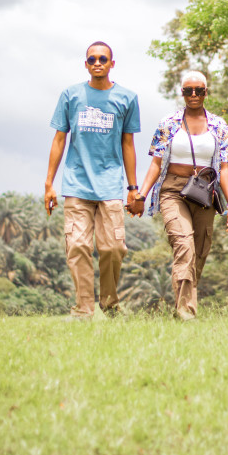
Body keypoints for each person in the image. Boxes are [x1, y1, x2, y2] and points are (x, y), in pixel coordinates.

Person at [128, 71, 228, 320]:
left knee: (199, 251)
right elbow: (156, 164)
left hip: (204, 191)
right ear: (182, 93)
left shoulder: (219, 126)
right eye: (188, 91)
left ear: (206, 92)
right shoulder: (169, 123)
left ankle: (182, 305)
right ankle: (186, 313)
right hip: (173, 190)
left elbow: (224, 168)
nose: (194, 95)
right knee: (184, 245)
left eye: (199, 90)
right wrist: (142, 196)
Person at [44, 41, 141, 319]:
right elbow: (59, 138)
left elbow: (128, 144)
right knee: (77, 246)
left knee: (113, 247)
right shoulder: (70, 95)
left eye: (103, 59)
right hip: (76, 184)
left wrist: (133, 189)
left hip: (110, 185)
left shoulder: (127, 98)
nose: (97, 63)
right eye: (92, 59)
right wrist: (49, 183)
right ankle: (83, 309)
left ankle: (109, 304)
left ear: (112, 64)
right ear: (85, 64)